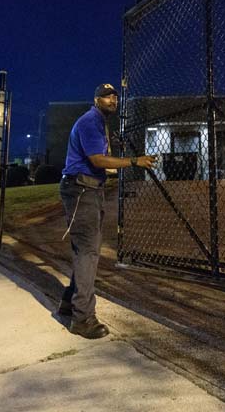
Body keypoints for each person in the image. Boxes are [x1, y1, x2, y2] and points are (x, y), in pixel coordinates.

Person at [58, 83, 156, 339]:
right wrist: (134, 161)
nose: (112, 100)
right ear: (96, 99)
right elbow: (97, 161)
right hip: (81, 190)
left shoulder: (99, 123)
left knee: (85, 251)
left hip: (89, 189)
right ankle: (82, 319)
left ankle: (69, 302)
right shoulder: (91, 122)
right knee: (88, 251)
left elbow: (102, 162)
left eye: (114, 97)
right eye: (106, 96)